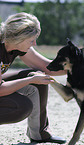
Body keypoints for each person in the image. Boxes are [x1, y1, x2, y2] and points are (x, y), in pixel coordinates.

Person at [0, 12, 67, 144]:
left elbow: (47, 67)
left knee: (37, 76)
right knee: (22, 106)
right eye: (31, 40)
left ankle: (40, 134)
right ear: (19, 38)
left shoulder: (15, 45)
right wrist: (29, 80)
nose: (35, 44)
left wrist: (80, 66)